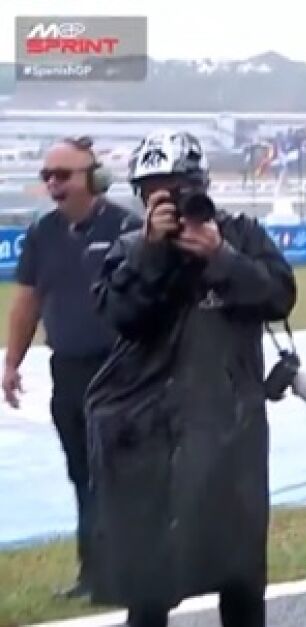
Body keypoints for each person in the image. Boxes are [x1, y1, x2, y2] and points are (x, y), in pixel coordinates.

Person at [82, 130, 296, 627]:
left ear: (200, 186)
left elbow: (279, 298)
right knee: (150, 583)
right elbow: (121, 317)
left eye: (178, 188)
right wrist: (152, 254)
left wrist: (221, 258)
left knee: (241, 574)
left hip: (231, 431)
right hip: (152, 434)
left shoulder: (242, 236)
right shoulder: (130, 248)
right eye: (154, 191)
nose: (170, 201)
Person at [3, 135, 142, 598]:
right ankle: (93, 575)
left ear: (95, 178)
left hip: (121, 372)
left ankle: (134, 570)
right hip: (68, 372)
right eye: (47, 176)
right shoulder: (41, 234)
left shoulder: (128, 229)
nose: (53, 184)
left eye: (63, 175)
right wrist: (12, 363)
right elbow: (27, 302)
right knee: (82, 474)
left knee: (122, 474)